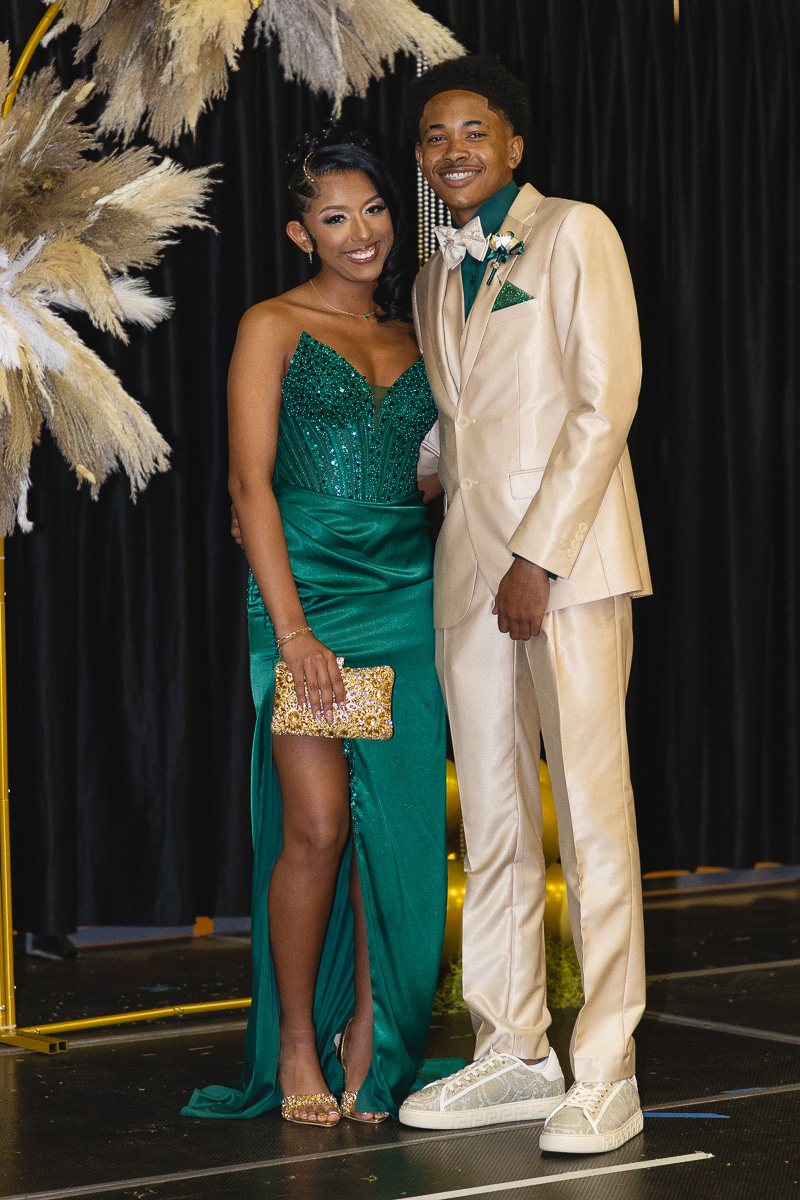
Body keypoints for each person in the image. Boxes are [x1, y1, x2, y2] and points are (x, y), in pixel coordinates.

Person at [397, 57, 652, 1155]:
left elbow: (605, 402)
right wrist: (426, 460)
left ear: (510, 146)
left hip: (570, 565)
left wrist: (536, 559)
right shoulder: (426, 275)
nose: (451, 150)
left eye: (471, 131)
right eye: (432, 137)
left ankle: (607, 1068)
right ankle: (509, 1048)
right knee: (493, 824)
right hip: (467, 572)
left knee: (591, 821)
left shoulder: (571, 233)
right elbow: (470, 412)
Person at [182, 126, 447, 1128]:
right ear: (301, 232)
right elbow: (248, 482)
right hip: (307, 600)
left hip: (405, 596)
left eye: (373, 209)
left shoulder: (419, 331)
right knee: (318, 827)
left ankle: (370, 1042)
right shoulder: (273, 324)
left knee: (390, 837)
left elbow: (425, 473)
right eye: (333, 217)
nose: (360, 232)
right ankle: (295, 1038)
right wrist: (291, 634)